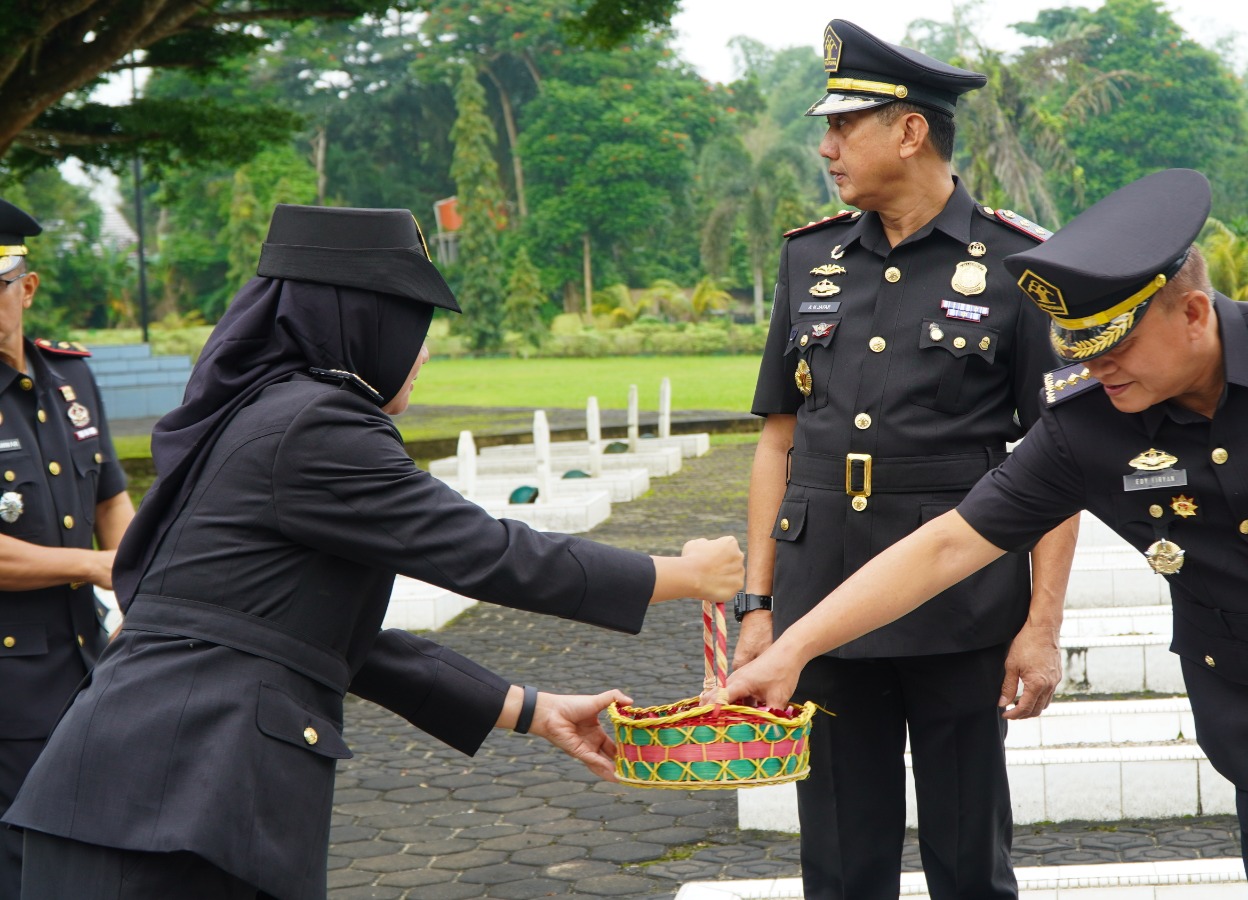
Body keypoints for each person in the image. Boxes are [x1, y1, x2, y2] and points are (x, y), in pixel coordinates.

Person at [726, 169, 1248, 900]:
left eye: (1116, 347)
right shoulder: (1086, 425)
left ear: (1195, 315)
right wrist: (792, 647)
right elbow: (951, 543)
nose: (1098, 369)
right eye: (1082, 350)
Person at [2, 204, 746, 900]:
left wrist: (532, 709)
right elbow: (488, 552)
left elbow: (323, 639)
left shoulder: (270, 415)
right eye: (407, 321)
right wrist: (682, 575)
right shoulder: (317, 425)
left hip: (146, 808)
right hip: (169, 812)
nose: (420, 351)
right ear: (353, 322)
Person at [735, 20, 1078, 900]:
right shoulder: (809, 257)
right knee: (843, 864)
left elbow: (1060, 458)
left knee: (969, 861)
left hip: (959, 606)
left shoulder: (1017, 262)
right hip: (823, 600)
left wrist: (1040, 626)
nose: (827, 147)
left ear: (911, 131)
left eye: (844, 127)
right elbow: (778, 438)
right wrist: (759, 604)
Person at [0, 199, 134, 900]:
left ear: (26, 287)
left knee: (91, 853)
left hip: (89, 667)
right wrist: (97, 566)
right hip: (10, 691)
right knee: (25, 867)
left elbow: (111, 497)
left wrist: (142, 588)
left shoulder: (70, 378)